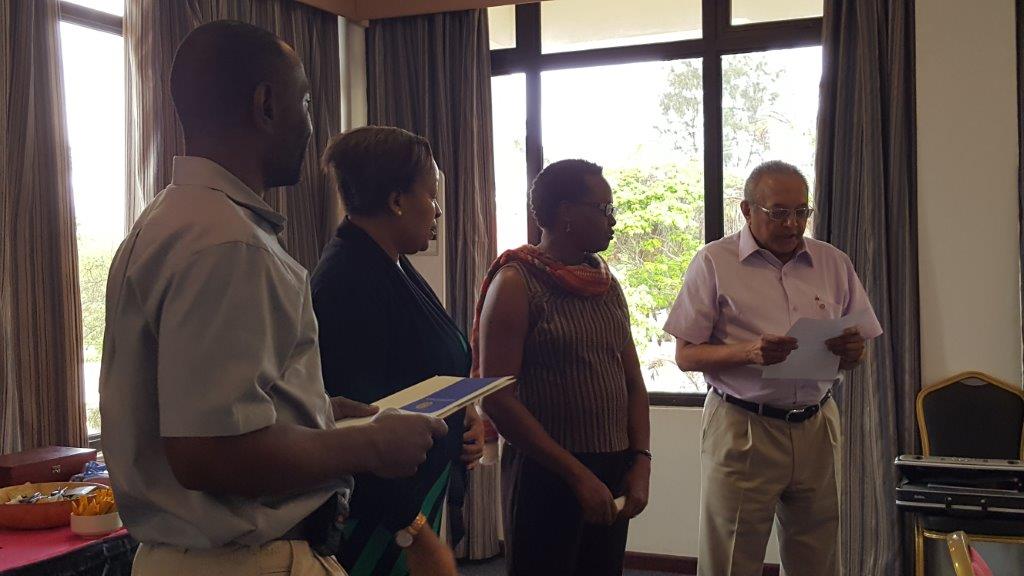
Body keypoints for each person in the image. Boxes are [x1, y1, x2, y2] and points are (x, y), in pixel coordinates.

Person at [99, 21, 446, 576]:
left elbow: (209, 407)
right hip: (244, 559)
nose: (310, 125)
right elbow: (207, 452)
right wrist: (368, 446)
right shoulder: (227, 243)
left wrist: (320, 413)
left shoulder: (170, 220)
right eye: (305, 103)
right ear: (265, 104)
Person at [664, 160, 883, 576]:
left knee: (818, 561)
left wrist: (853, 351)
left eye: (802, 211)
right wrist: (748, 353)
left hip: (818, 424)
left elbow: (860, 350)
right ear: (747, 210)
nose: (792, 224)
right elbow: (686, 355)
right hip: (744, 425)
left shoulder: (833, 263)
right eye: (779, 212)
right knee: (732, 559)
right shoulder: (714, 262)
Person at [312, 126, 484, 576]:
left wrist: (465, 413)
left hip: (416, 499)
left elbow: (421, 366)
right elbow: (358, 427)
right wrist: (415, 531)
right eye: (431, 195)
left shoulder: (391, 263)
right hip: (383, 523)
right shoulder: (348, 282)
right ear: (396, 201)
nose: (438, 209)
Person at [474, 159, 652, 576]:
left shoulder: (606, 284)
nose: (613, 220)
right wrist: (576, 475)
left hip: (611, 468)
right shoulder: (517, 282)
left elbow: (632, 383)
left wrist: (641, 460)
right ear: (567, 212)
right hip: (545, 473)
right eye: (605, 209)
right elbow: (497, 397)